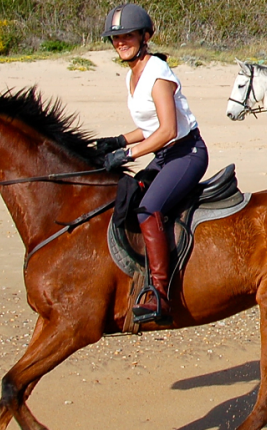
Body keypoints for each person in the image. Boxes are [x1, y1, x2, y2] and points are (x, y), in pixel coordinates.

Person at [96, 3, 208, 324]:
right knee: (130, 197)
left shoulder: (158, 73)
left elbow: (169, 130)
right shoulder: (133, 75)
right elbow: (149, 126)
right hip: (164, 155)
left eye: (127, 36)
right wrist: (119, 140)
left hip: (186, 153)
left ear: (144, 37)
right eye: (115, 38)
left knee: (149, 208)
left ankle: (160, 294)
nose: (120, 42)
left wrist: (129, 154)